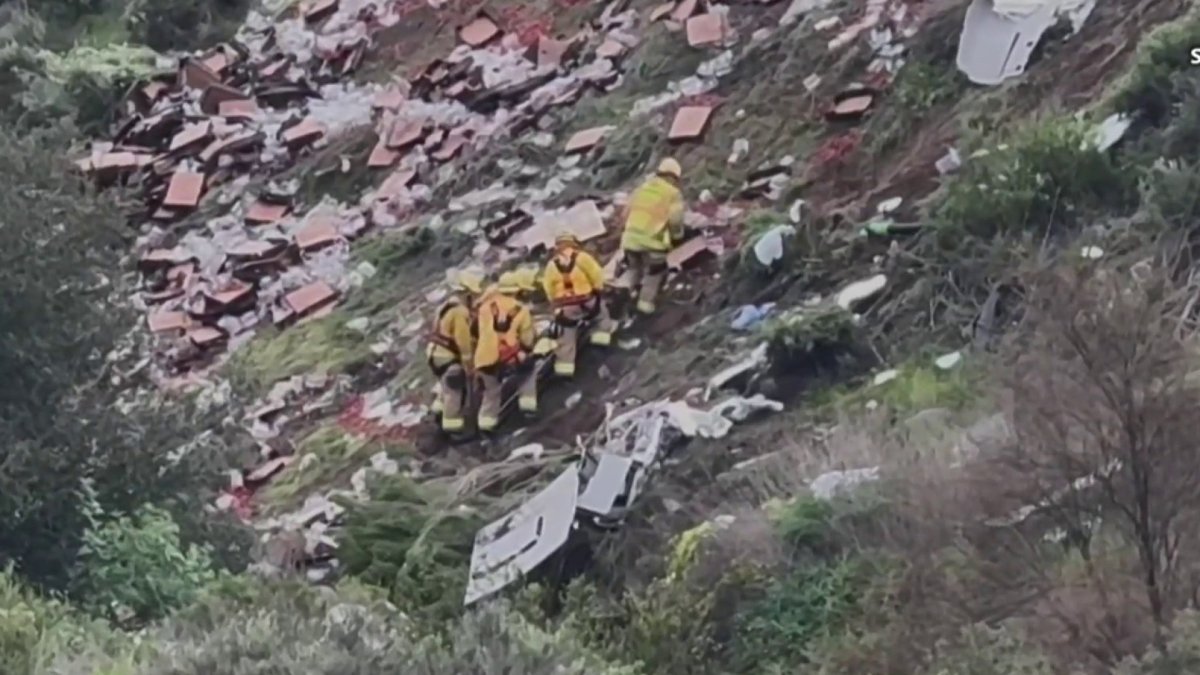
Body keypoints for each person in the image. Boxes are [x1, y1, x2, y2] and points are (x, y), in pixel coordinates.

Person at [541, 232, 616, 377]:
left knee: (566, 335)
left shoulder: (551, 265)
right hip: (587, 300)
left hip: (566, 306)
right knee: (601, 318)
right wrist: (598, 290)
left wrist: (555, 304)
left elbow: (548, 288)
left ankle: (565, 371)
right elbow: (596, 275)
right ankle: (600, 345)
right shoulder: (582, 258)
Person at [618, 157, 685, 316]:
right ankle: (644, 305)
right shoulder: (672, 194)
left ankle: (624, 297)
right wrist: (677, 237)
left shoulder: (641, 189)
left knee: (634, 268)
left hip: (630, 241)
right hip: (653, 243)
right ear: (673, 177)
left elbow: (624, 215)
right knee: (655, 272)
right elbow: (675, 220)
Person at [474, 270, 537, 432]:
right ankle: (528, 408)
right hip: (507, 358)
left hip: (483, 359)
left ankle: (486, 425)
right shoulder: (521, 310)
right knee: (528, 373)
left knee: (491, 391)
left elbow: (479, 331)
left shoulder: (484, 308)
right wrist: (526, 349)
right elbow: (527, 339)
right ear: (517, 290)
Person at [426, 270, 482, 434]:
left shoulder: (445, 307)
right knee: (454, 391)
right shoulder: (460, 312)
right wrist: (469, 364)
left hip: (434, 354)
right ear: (466, 294)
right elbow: (463, 341)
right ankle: (453, 429)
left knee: (446, 386)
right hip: (448, 358)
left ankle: (437, 414)